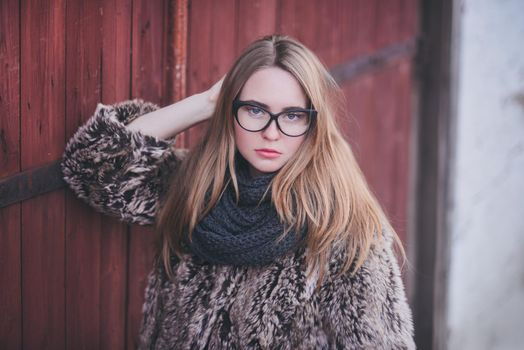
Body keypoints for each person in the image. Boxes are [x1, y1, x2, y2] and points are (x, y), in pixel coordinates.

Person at [61, 34, 415, 349]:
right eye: (255, 109)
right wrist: (203, 104)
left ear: (313, 124)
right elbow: (91, 168)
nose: (271, 133)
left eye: (292, 116)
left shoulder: (342, 230)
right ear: (231, 111)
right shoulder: (194, 187)